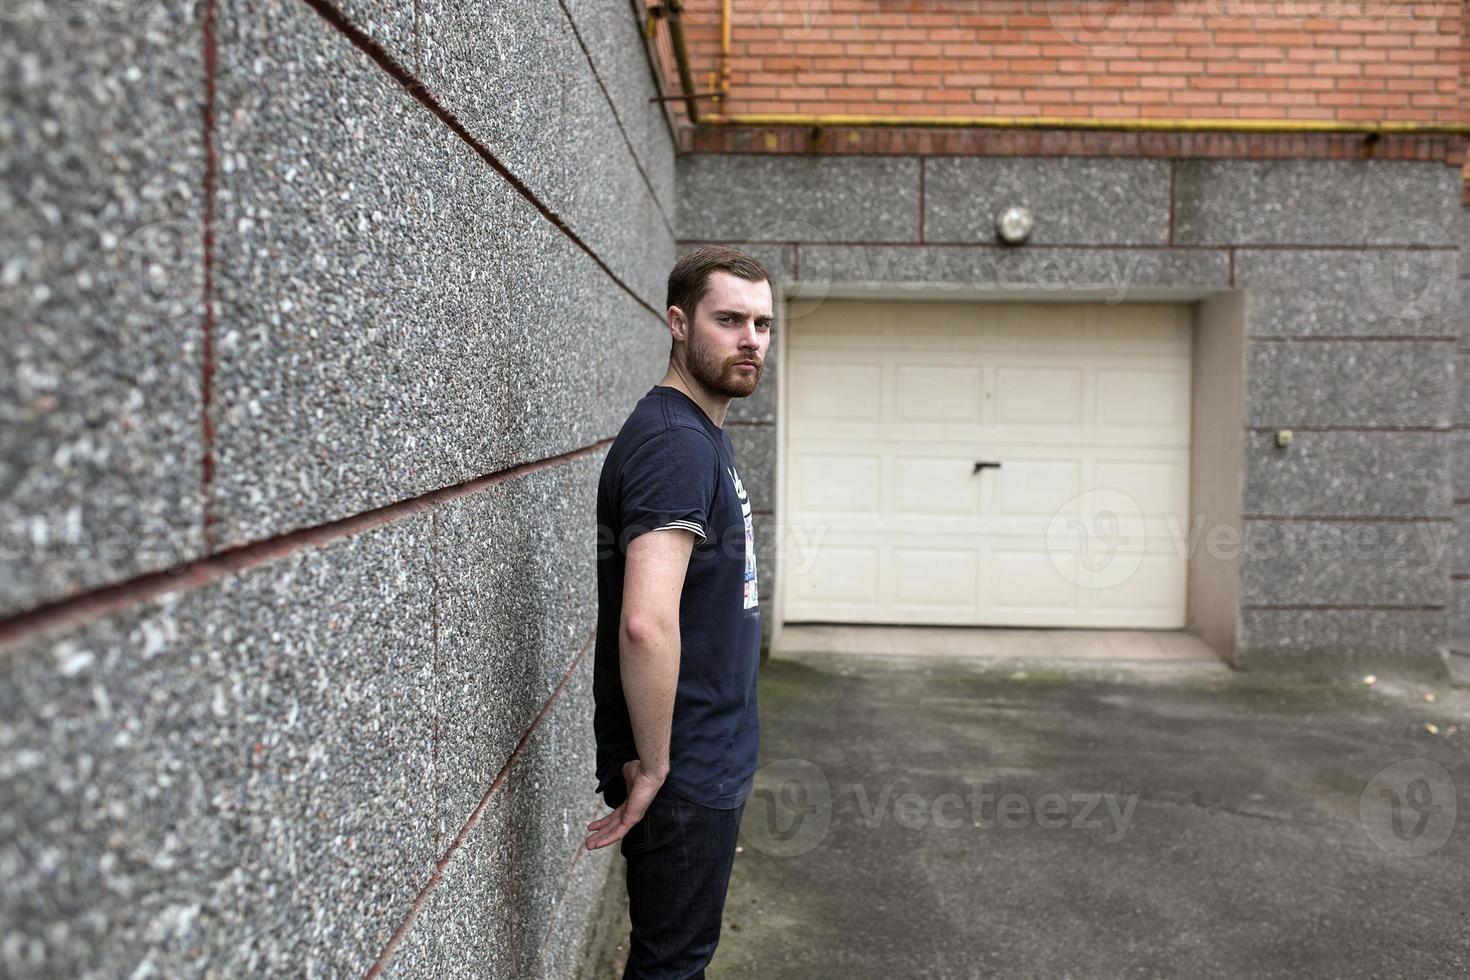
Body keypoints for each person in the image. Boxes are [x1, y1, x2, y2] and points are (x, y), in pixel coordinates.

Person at [583, 244, 772, 979]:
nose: (750, 339)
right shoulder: (674, 446)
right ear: (677, 322)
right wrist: (661, 769)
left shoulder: (696, 434)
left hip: (701, 764)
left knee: (671, 956)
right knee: (672, 966)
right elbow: (646, 621)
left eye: (761, 323)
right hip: (686, 769)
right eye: (728, 320)